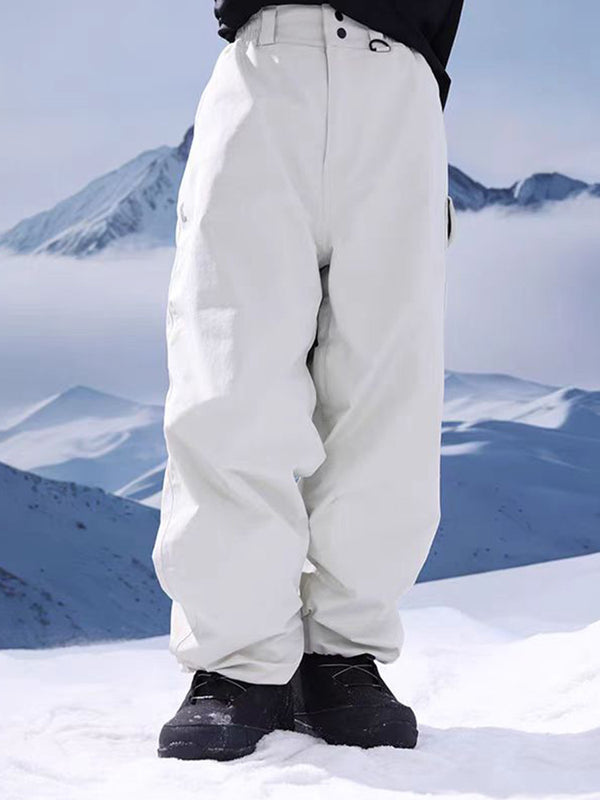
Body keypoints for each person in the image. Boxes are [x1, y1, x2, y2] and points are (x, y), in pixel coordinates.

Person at [152, 0, 463, 761]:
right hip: (267, 57)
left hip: (402, 76)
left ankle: (342, 656)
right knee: (231, 371)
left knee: (386, 388)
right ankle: (238, 661)